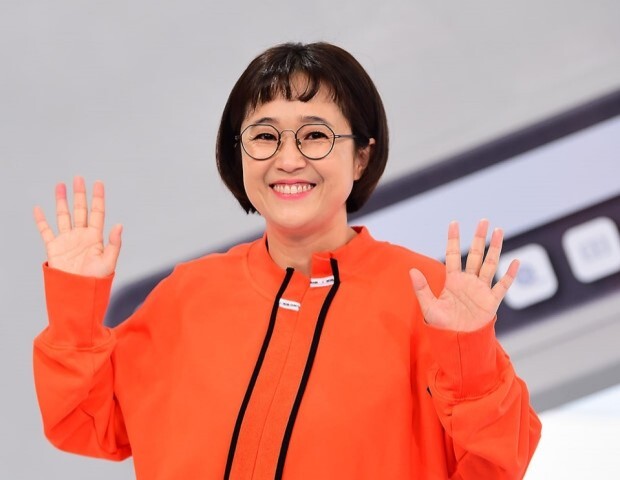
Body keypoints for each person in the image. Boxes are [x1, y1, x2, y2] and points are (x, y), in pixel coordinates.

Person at [32, 42, 541, 479]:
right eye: (264, 136)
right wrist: (76, 310)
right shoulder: (189, 295)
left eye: (315, 135)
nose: (289, 159)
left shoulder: (426, 297)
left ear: (361, 156)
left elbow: (497, 465)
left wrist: (471, 360)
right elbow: (87, 423)